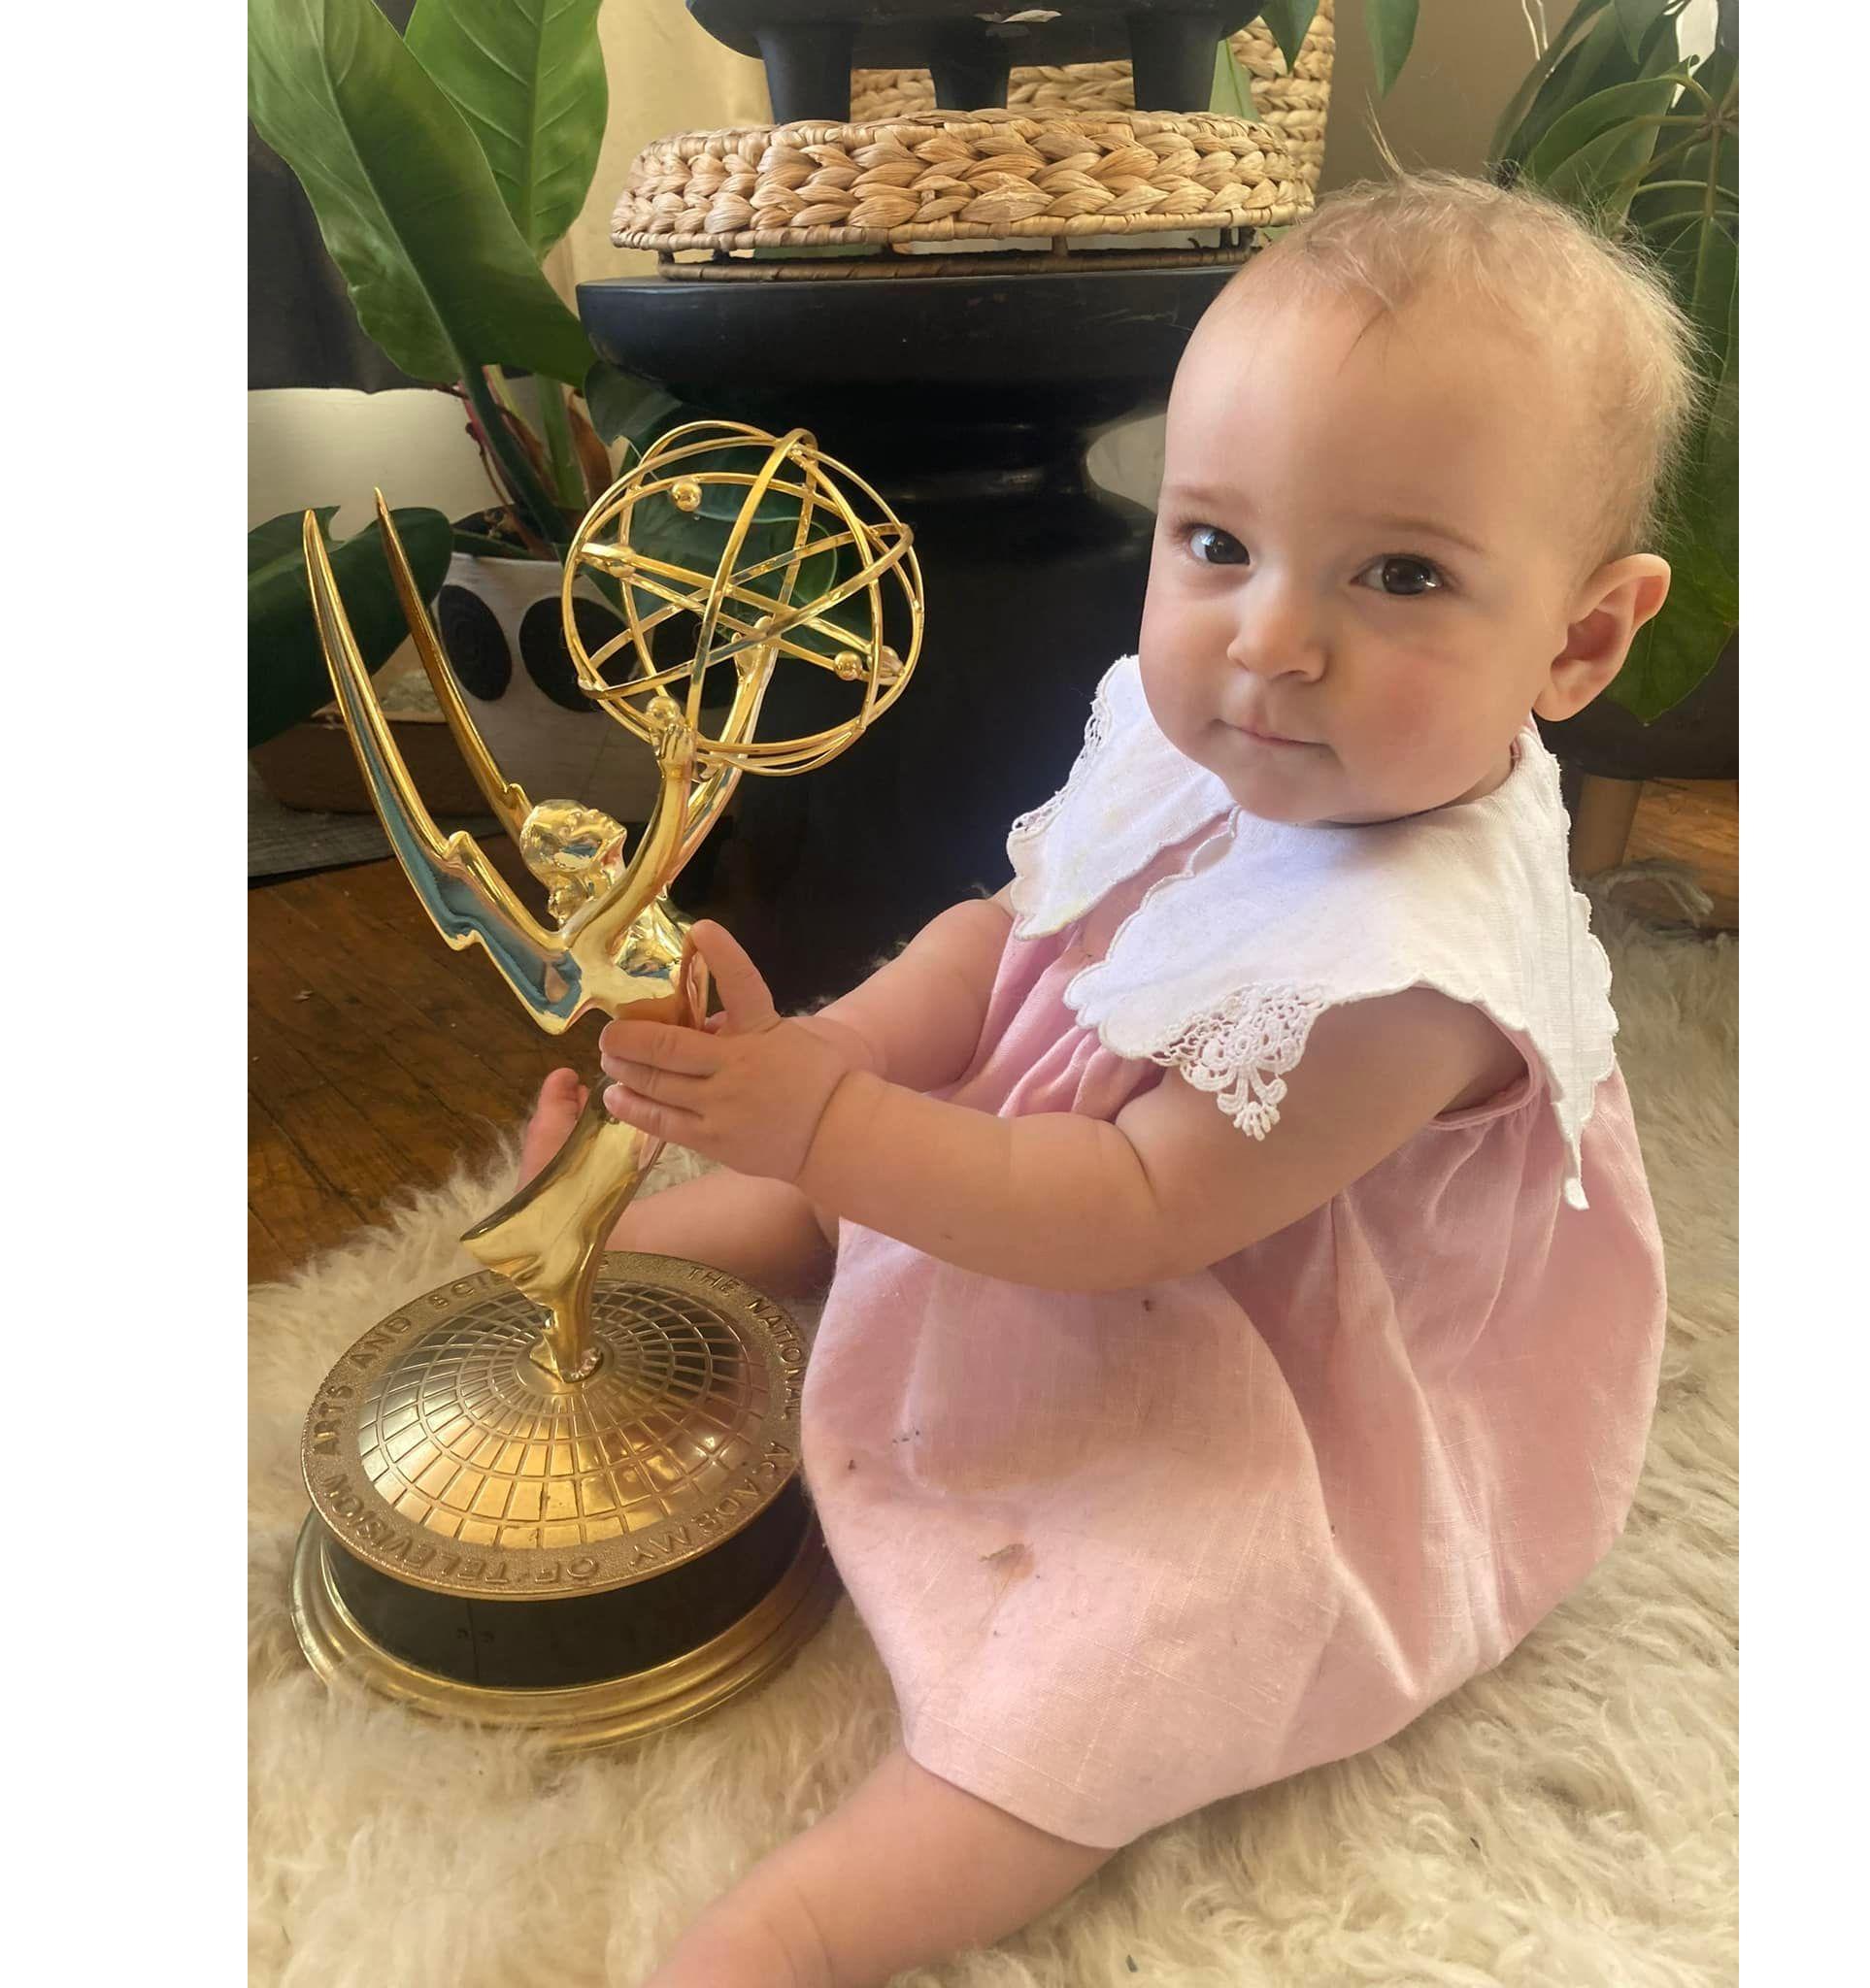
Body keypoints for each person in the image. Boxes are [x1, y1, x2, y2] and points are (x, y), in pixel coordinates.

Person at [518, 171, 1693, 1987]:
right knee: (801, 1203)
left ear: (1581, 639)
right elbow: (1009, 936)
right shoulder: (1196, 718)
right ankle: (582, 1270)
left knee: (1121, 1654)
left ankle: (802, 1934)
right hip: (1053, 1178)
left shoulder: (1410, 974)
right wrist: (822, 1060)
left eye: (1403, 576)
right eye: (1217, 541)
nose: (1270, 640)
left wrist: (833, 1129)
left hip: (1252, 1345)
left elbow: (1129, 1211)